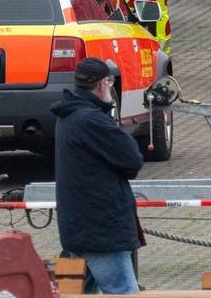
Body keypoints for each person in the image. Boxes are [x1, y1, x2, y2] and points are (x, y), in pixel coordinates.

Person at [52, 57, 143, 295]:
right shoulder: (91, 120)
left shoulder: (68, 116)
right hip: (102, 233)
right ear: (102, 84)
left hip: (80, 228)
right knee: (124, 291)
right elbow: (132, 159)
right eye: (110, 82)